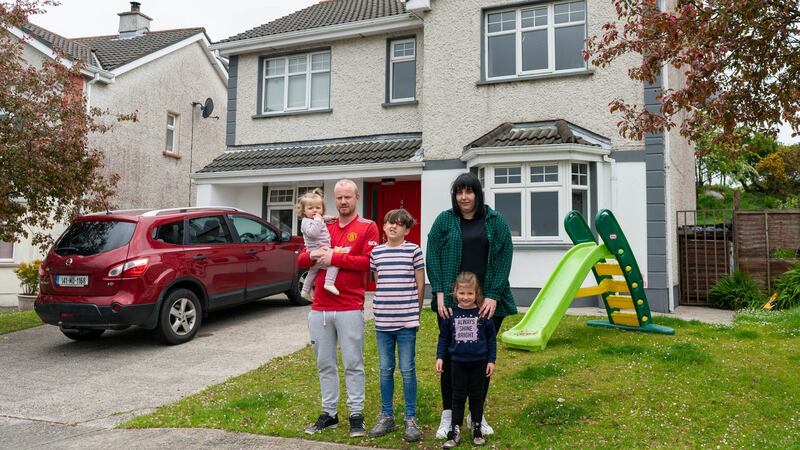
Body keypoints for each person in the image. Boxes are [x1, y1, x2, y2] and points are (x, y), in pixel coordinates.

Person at [426, 172, 515, 439]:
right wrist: (440, 292)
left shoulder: (495, 221)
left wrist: (494, 294)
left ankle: (476, 415)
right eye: (459, 192)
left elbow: (504, 256)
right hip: (452, 303)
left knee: (479, 359)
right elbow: (433, 254)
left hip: (486, 304)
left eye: (469, 191)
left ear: (478, 193)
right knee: (452, 358)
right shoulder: (445, 220)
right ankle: (448, 416)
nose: (464, 197)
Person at [299, 179, 379, 437]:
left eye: (348, 197)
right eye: (339, 198)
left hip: (349, 305)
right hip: (320, 306)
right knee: (324, 363)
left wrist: (334, 257)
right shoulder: (322, 223)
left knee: (353, 362)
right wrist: (312, 256)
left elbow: (368, 262)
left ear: (357, 197)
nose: (343, 202)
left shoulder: (368, 227)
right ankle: (329, 413)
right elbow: (301, 257)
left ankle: (356, 414)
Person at [367, 209, 425, 442]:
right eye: (390, 222)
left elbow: (420, 285)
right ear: (384, 226)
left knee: (407, 370)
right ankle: (386, 415)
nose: (393, 227)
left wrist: (416, 314)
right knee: (385, 369)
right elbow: (379, 283)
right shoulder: (376, 253)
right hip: (383, 321)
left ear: (407, 230)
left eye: (399, 224)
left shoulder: (414, 251)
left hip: (406, 321)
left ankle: (410, 418)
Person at [436, 272, 496, 448]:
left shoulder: (483, 315)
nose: (466, 297)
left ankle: (476, 427)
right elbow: (444, 338)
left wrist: (491, 360)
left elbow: (491, 340)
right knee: (457, 397)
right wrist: (440, 357)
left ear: (477, 293)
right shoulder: (451, 315)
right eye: (462, 293)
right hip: (457, 364)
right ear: (455, 292)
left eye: (470, 293)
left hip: (479, 364)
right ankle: (454, 430)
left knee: (477, 397)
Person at [296, 189, 340, 300]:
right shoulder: (306, 222)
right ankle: (329, 282)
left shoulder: (316, 218)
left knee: (313, 271)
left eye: (318, 208)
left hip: (319, 248)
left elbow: (322, 218)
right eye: (310, 208)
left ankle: (305, 290)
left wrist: (329, 218)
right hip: (318, 249)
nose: (314, 211)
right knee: (335, 262)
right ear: (304, 210)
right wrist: (318, 220)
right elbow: (313, 233)